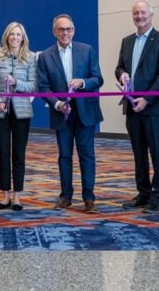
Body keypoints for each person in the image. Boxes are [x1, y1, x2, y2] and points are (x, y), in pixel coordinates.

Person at [37, 14, 104, 213]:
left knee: (87, 155)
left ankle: (89, 198)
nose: (65, 33)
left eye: (69, 29)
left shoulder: (87, 50)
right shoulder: (45, 56)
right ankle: (66, 196)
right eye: (61, 29)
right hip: (61, 113)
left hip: (85, 112)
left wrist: (82, 82)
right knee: (64, 156)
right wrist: (57, 104)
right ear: (54, 32)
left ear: (73, 31)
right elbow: (43, 87)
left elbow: (98, 79)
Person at [115, 1, 159, 212]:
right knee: (139, 153)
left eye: (143, 12)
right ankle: (143, 192)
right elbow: (119, 67)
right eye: (136, 13)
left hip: (154, 108)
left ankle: (158, 195)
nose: (139, 16)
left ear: (151, 14)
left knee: (158, 153)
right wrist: (121, 74)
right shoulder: (127, 41)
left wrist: (146, 99)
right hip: (132, 107)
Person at [0, 22, 38, 211]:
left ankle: (17, 196)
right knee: (3, 152)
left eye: (18, 34)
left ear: (23, 38)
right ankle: (5, 195)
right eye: (12, 34)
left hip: (22, 112)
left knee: (18, 153)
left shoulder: (30, 58)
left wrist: (17, 83)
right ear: (6, 36)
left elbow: (33, 85)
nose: (15, 37)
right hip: (1, 111)